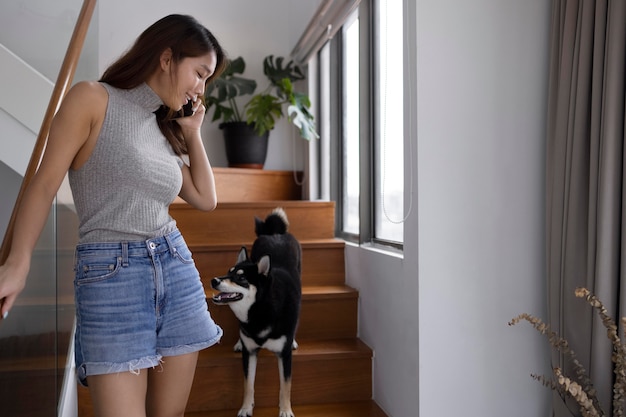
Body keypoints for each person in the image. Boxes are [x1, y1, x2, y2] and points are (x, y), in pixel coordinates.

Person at [0, 14, 226, 417]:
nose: (201, 88)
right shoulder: (92, 98)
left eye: (207, 80)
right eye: (200, 73)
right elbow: (44, 183)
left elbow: (206, 198)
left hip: (175, 267)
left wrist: (192, 132)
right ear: (167, 57)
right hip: (110, 275)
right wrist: (19, 261)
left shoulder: (162, 128)